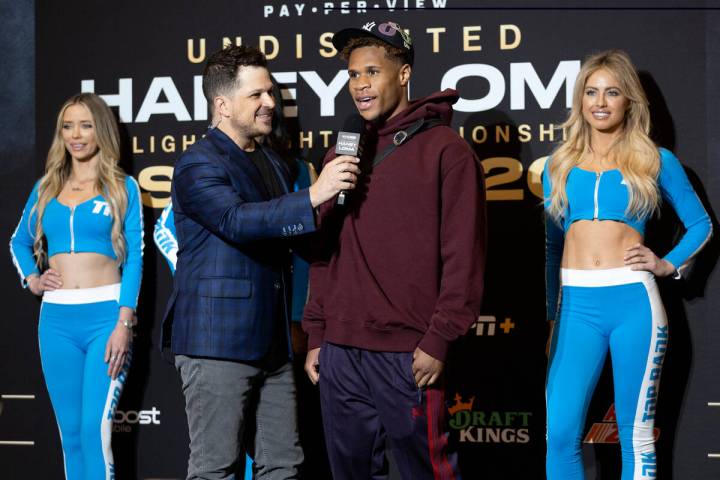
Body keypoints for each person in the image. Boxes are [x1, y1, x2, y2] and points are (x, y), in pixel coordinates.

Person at [161, 44, 359, 480]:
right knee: (216, 469)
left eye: (271, 92)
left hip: (273, 342)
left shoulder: (271, 160)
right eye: (257, 95)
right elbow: (235, 221)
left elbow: (290, 233)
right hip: (215, 341)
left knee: (284, 466)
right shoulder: (197, 163)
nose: (271, 103)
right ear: (222, 104)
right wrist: (311, 195)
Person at [302, 21, 486, 479]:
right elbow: (325, 251)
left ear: (403, 74)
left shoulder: (448, 151)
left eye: (371, 72)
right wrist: (318, 333)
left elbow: (464, 257)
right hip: (341, 352)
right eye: (352, 75)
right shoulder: (340, 152)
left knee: (426, 472)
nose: (360, 85)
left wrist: (439, 338)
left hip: (407, 353)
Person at [543, 50, 712, 479]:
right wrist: (551, 315)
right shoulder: (559, 166)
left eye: (612, 92)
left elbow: (701, 225)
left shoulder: (655, 160)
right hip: (576, 307)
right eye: (591, 92)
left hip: (634, 304)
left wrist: (666, 263)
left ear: (629, 102)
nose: (600, 102)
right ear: (580, 100)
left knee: (636, 436)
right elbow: (552, 246)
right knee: (560, 434)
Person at [9, 92, 144, 480]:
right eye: (68, 126)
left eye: (85, 125)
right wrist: (33, 280)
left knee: (94, 430)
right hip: (56, 321)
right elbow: (18, 241)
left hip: (106, 318)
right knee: (69, 435)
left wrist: (124, 322)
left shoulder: (123, 187)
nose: (76, 135)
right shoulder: (46, 187)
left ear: (101, 129)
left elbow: (135, 258)